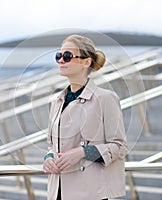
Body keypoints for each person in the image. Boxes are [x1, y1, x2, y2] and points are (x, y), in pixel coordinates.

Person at [43, 34, 127, 200]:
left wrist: (83, 152)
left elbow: (119, 146)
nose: (61, 60)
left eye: (67, 56)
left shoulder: (105, 98)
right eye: (58, 56)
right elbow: (52, 145)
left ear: (86, 62)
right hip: (57, 191)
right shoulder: (57, 101)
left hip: (90, 192)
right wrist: (49, 158)